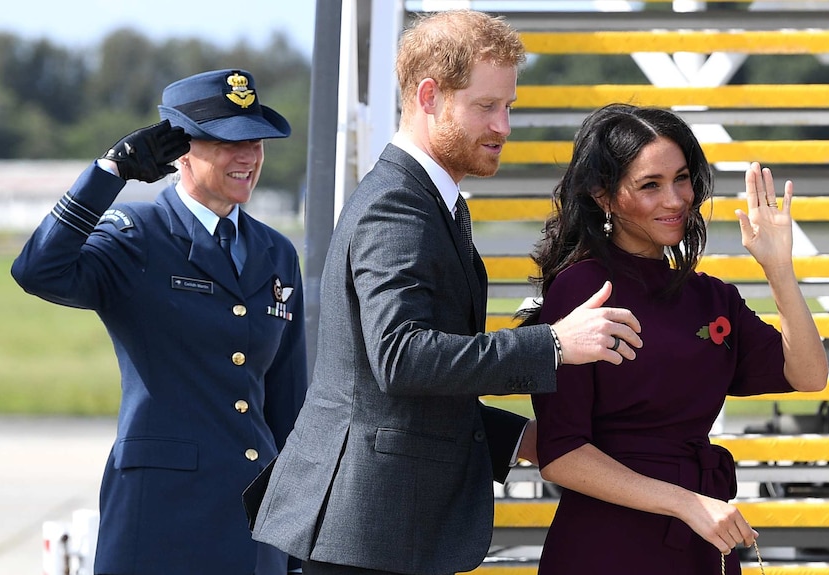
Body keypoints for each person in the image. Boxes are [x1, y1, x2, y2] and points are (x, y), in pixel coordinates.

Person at [248, 10, 643, 575]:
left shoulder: (426, 199)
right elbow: (401, 359)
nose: (503, 126)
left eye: (508, 106)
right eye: (486, 107)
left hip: (378, 526)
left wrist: (518, 438)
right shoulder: (398, 206)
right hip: (372, 530)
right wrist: (553, 345)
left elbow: (396, 393)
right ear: (429, 95)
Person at [12, 69, 308, 575]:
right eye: (226, 141)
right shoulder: (139, 237)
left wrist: (298, 545)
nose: (247, 156)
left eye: (255, 141)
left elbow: (288, 406)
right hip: (162, 520)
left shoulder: (276, 252)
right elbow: (38, 270)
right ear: (179, 149)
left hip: (253, 528)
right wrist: (109, 173)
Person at [523, 103, 829, 575]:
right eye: (650, 185)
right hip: (608, 546)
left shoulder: (712, 297)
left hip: (700, 538)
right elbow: (561, 455)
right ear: (604, 197)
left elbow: (809, 375)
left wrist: (780, 269)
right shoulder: (582, 288)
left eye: (682, 178)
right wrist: (685, 503)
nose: (675, 199)